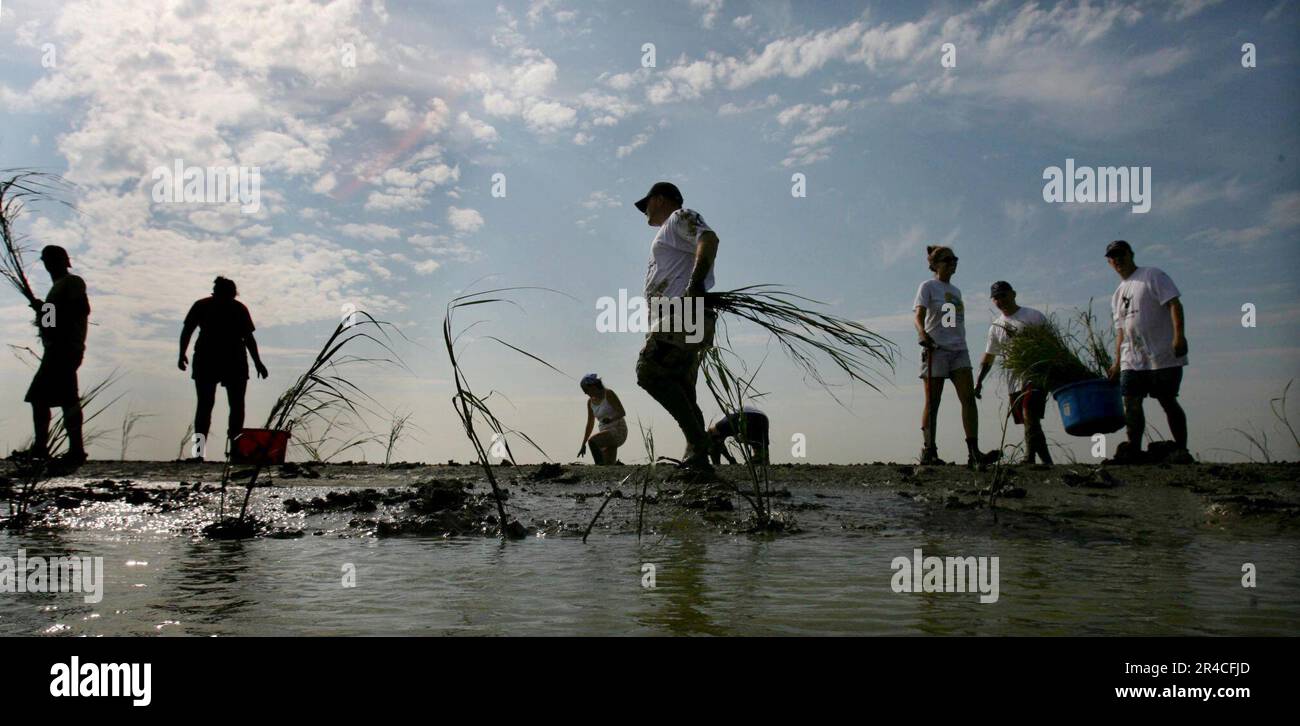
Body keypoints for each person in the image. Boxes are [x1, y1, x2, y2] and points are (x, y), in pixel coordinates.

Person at [633, 181, 720, 472]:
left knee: (649, 372)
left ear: (658, 199)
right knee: (683, 386)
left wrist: (694, 287)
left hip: (681, 313)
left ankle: (700, 441)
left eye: (646, 204)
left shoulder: (678, 217)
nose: (644, 211)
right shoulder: (668, 232)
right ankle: (697, 462)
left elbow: (709, 239)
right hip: (680, 316)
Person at [1104, 240, 1190, 463]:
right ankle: (1134, 449)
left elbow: (1174, 304)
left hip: (1161, 354)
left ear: (1131, 254)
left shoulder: (1152, 275)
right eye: (1113, 257)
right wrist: (1117, 362)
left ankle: (1181, 448)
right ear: (1109, 262)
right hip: (1132, 358)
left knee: (1167, 400)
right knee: (1131, 402)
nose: (1118, 260)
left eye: (1121, 254)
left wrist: (1179, 336)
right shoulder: (1117, 293)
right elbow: (1120, 331)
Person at [913, 245, 999, 469]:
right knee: (933, 402)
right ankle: (929, 450)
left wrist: (953, 337)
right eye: (947, 260)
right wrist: (922, 334)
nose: (953, 263)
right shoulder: (927, 286)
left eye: (955, 259)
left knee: (968, 400)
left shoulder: (956, 291)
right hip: (936, 349)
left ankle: (973, 452)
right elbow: (918, 315)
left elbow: (951, 321)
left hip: (959, 349)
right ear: (935, 264)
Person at [179, 277, 268, 459]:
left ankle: (216, 451)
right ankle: (216, 451)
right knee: (225, 406)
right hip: (219, 358)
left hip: (220, 359)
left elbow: (248, 338)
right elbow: (188, 330)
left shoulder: (220, 307)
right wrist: (181, 354)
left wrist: (258, 362)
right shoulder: (230, 307)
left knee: (214, 406)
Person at [23, 245, 90, 466]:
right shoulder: (57, 288)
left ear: (64, 262)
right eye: (47, 261)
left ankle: (55, 449)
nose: (49, 265)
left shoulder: (72, 283)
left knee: (46, 397)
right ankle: (53, 448)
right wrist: (42, 311)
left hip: (64, 348)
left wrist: (46, 311)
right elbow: (50, 323)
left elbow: (79, 310)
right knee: (53, 397)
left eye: (53, 260)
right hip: (59, 349)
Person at [974, 281, 1053, 464]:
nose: (1001, 300)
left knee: (1029, 412)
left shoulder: (1032, 316)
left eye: (1004, 295)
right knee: (1029, 421)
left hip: (1035, 373)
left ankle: (1028, 458)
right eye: (996, 298)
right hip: (1013, 378)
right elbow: (989, 356)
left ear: (1013, 294)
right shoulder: (996, 327)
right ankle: (1046, 462)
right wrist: (979, 381)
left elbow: (1051, 344)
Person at [578, 374, 627, 465]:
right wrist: (583, 443)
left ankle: (598, 466)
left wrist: (610, 419)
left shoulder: (608, 393)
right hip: (604, 433)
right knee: (608, 464)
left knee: (593, 442)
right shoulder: (590, 402)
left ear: (592, 386)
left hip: (617, 430)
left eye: (585, 390)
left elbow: (622, 413)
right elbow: (590, 424)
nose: (585, 393)